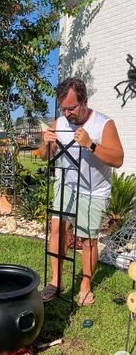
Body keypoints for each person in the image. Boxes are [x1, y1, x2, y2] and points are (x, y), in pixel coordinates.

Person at [39, 77, 124, 306]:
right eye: (63, 109)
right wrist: (46, 144)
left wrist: (91, 144)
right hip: (66, 184)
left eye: (71, 108)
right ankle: (56, 282)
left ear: (85, 101)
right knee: (57, 229)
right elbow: (45, 155)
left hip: (93, 190)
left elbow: (118, 159)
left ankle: (85, 284)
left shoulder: (103, 124)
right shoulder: (60, 122)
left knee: (87, 239)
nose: (67, 114)